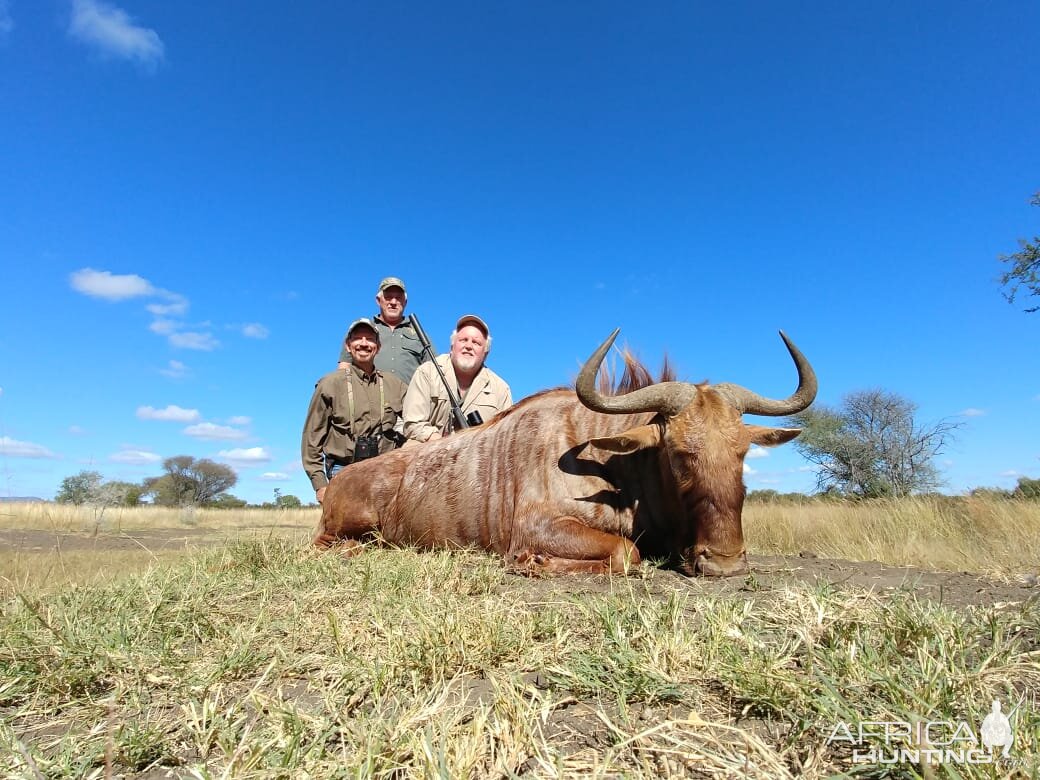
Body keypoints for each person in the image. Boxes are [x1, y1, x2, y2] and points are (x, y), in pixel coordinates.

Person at [303, 318, 407, 504]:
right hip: (343, 470)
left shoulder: (395, 385)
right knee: (345, 531)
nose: (364, 344)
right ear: (348, 346)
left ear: (378, 346)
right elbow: (312, 440)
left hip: (384, 472)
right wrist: (320, 485)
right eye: (358, 338)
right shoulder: (329, 384)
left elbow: (419, 418)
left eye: (370, 339)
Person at [403, 314, 512, 444]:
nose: (468, 346)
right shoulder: (427, 372)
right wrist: (447, 445)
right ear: (452, 346)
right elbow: (413, 424)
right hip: (429, 450)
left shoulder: (501, 389)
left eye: (476, 343)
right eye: (463, 340)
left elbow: (505, 439)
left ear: (485, 354)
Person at [337, 277, 431, 385]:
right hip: (368, 398)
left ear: (405, 302)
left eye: (398, 298)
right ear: (378, 300)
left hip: (410, 399)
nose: (393, 302)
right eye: (388, 297)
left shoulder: (419, 334)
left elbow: (433, 370)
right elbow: (344, 367)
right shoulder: (360, 330)